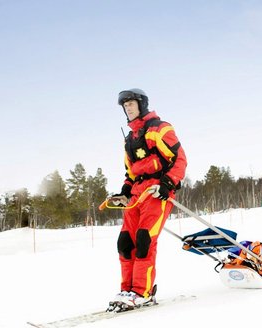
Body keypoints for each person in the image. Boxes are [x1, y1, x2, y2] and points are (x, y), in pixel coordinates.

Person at [108, 88, 187, 311]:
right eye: (125, 106)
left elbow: (179, 159)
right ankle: (128, 289)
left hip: (156, 191)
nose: (128, 108)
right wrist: (125, 190)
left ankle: (142, 292)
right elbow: (130, 172)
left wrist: (168, 183)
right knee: (125, 242)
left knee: (144, 239)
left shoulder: (159, 128)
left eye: (131, 104)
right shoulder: (130, 139)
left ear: (141, 104)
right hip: (136, 194)